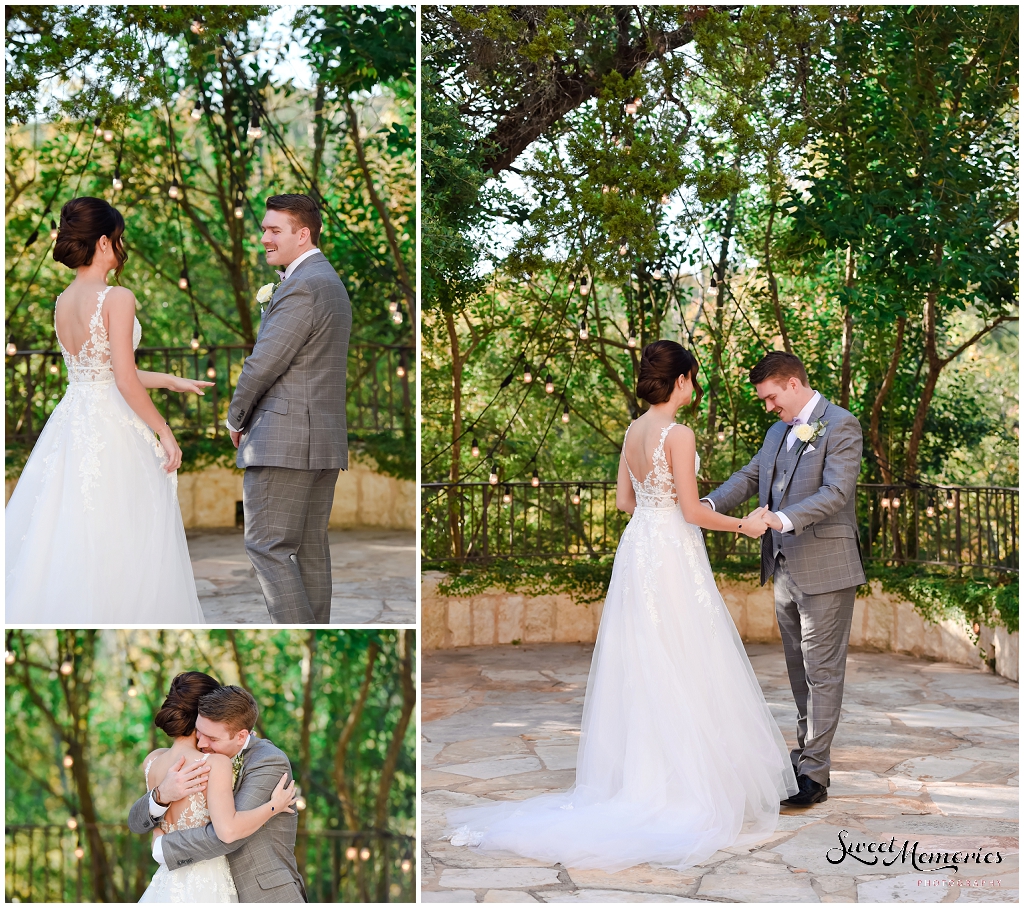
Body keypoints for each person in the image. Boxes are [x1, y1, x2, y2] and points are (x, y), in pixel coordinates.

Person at [446, 340, 798, 872]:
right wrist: (745, 525)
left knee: (645, 660)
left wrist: (664, 513)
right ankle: (679, 785)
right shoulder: (678, 434)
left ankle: (640, 777)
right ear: (680, 380)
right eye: (693, 377)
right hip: (673, 552)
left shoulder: (635, 430)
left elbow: (624, 502)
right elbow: (690, 511)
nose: (695, 386)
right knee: (684, 655)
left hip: (639, 549)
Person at [5, 197, 211, 622]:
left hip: (72, 418)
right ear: (103, 242)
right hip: (110, 426)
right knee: (122, 531)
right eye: (118, 240)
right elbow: (122, 379)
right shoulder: (117, 297)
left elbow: (101, 371)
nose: (121, 249)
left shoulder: (63, 301)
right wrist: (163, 429)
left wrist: (171, 380)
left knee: (71, 527)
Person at [704, 350, 865, 807]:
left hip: (828, 567)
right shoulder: (778, 432)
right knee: (799, 672)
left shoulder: (842, 424)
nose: (769, 407)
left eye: (772, 397)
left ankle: (815, 774)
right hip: (784, 570)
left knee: (823, 672)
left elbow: (836, 493)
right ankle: (806, 758)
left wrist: (777, 519)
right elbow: (750, 476)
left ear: (793, 384)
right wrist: (707, 508)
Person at [225, 194, 352, 624]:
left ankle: (297, 629)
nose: (264, 238)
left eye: (274, 230)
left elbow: (264, 363)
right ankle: (315, 632)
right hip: (321, 439)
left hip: (284, 440)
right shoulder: (329, 280)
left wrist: (235, 416)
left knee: (268, 546)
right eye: (263, 229)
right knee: (311, 547)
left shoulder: (302, 284)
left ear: (303, 234)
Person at [130, 684, 307, 903]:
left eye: (212, 738)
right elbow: (136, 823)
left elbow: (228, 835)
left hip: (263, 895)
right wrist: (161, 795)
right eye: (199, 733)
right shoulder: (198, 759)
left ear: (241, 736)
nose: (202, 743)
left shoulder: (268, 762)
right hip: (208, 888)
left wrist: (163, 847)